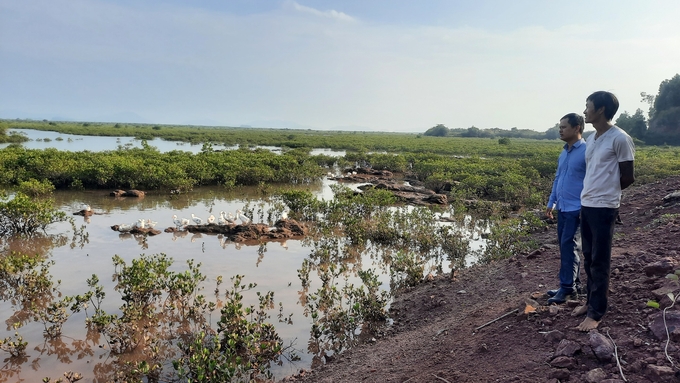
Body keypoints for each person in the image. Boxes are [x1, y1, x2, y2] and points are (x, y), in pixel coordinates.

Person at [574, 91, 635, 332]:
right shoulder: (592, 138)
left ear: (600, 109)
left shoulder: (619, 138)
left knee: (600, 260)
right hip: (587, 204)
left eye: (588, 106)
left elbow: (628, 176)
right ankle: (589, 302)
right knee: (589, 256)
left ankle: (596, 313)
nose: (585, 110)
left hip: (604, 207)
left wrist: (608, 194)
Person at [545, 113, 586, 304]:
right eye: (559, 127)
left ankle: (568, 289)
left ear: (577, 128)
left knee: (569, 246)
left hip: (576, 208)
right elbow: (558, 179)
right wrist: (551, 203)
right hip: (562, 207)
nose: (560, 130)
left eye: (564, 127)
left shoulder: (586, 150)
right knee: (566, 246)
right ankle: (571, 285)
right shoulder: (564, 152)